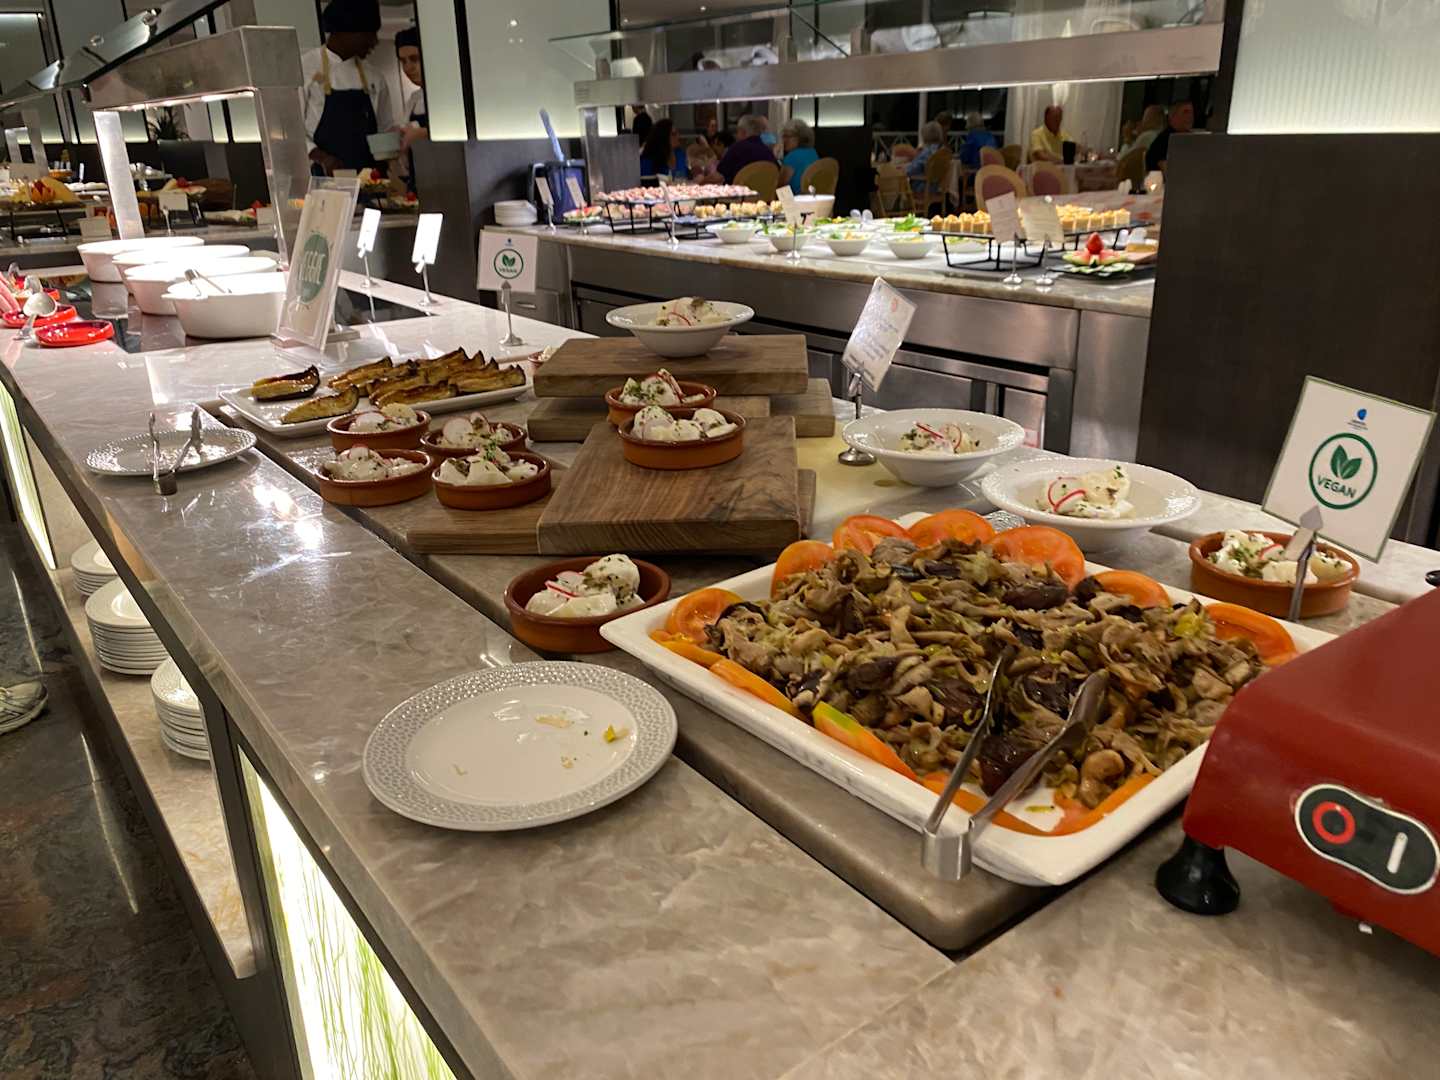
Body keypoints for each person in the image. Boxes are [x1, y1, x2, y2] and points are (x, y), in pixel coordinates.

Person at [301, 0, 396, 175]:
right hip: (323, 179)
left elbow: (384, 130)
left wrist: (392, 171)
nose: (374, 41)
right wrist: (322, 158)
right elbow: (292, 133)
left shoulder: (374, 77)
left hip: (370, 180)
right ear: (344, 32)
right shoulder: (305, 69)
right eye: (368, 34)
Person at [394, 27, 427, 187]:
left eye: (414, 59)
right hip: (419, 181)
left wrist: (423, 133)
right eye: (403, 61)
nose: (408, 68)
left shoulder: (451, 94)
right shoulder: (414, 99)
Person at [716, 115, 774, 183]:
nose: (736, 135)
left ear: (742, 131)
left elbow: (720, 173)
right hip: (765, 189)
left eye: (737, 131)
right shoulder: (768, 152)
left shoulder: (737, 148)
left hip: (739, 188)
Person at [1146, 100, 1195, 174]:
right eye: (1186, 112)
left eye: (1192, 112)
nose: (1191, 116)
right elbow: (1170, 171)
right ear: (1173, 116)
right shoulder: (1164, 139)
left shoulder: (1189, 138)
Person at [777, 117, 819, 194]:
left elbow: (781, 186)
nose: (784, 140)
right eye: (783, 136)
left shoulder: (792, 156)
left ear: (799, 138)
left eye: (787, 136)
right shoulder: (813, 152)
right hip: (813, 197)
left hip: (796, 198)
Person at [905, 120, 945, 193]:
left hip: (923, 187)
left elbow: (910, 171)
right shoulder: (942, 151)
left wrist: (904, 168)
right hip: (939, 186)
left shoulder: (927, 152)